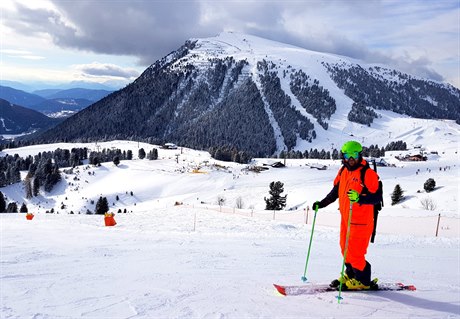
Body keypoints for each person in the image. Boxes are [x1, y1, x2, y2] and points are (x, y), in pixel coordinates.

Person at [313, 141, 380, 290]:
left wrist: (360, 198)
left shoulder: (367, 173)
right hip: (346, 219)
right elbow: (335, 191)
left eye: (354, 155)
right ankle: (351, 275)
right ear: (342, 157)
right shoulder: (343, 171)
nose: (351, 159)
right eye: (347, 155)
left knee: (356, 252)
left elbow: (377, 197)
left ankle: (363, 281)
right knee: (345, 249)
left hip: (361, 222)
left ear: (359, 155)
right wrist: (322, 203)